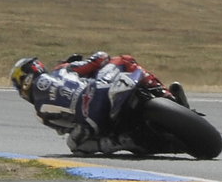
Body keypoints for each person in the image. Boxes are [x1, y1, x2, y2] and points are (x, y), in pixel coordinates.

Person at [10, 52, 185, 155]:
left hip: (92, 124)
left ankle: (121, 141)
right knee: (124, 59)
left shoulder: (41, 114)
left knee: (73, 145)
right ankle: (165, 93)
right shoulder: (62, 69)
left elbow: (66, 128)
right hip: (98, 92)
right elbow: (100, 58)